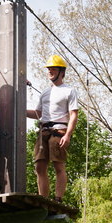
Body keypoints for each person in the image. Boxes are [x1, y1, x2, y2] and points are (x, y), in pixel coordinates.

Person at [26, 55, 78, 202]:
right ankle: (43, 198)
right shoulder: (45, 92)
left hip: (59, 131)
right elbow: (39, 114)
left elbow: (73, 115)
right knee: (39, 168)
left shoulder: (69, 90)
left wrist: (67, 135)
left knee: (58, 166)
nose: (50, 71)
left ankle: (58, 198)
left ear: (62, 72)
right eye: (49, 69)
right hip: (44, 131)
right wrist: (21, 112)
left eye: (53, 69)